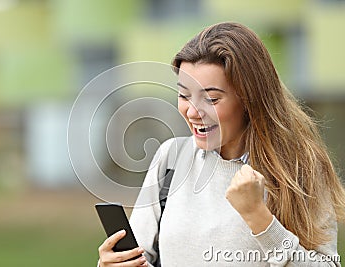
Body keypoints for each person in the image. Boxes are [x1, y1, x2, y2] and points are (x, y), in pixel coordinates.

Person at [97, 22, 345, 266]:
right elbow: (138, 259)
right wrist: (112, 263)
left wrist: (259, 218)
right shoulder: (171, 158)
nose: (193, 112)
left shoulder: (301, 168)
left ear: (250, 99)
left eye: (211, 98)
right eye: (184, 95)